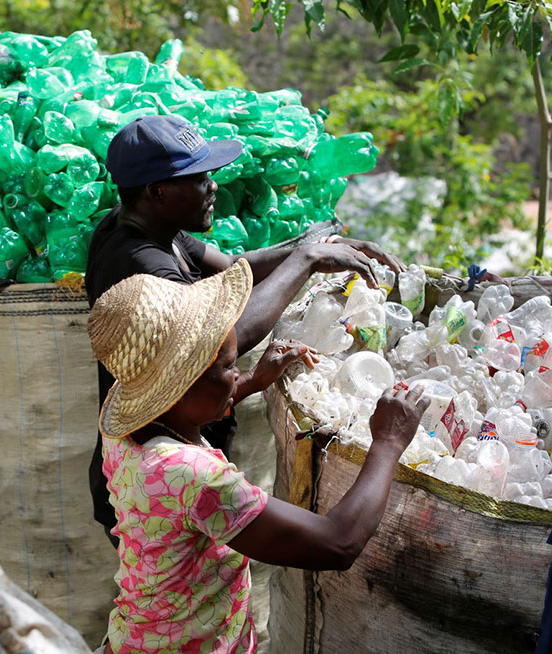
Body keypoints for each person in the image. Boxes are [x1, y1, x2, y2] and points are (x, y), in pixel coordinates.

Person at [85, 114, 406, 543]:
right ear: (157, 192)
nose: (213, 186)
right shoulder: (143, 263)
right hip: (160, 461)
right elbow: (224, 334)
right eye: (198, 179)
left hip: (169, 438)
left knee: (178, 575)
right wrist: (306, 261)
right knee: (178, 576)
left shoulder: (157, 228)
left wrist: (317, 247)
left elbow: (236, 272)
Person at [87, 260, 429, 653]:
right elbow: (337, 542)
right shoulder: (195, 477)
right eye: (230, 367)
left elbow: (185, 411)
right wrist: (388, 441)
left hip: (138, 637)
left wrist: (252, 382)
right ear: (179, 387)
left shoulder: (123, 426)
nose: (236, 375)